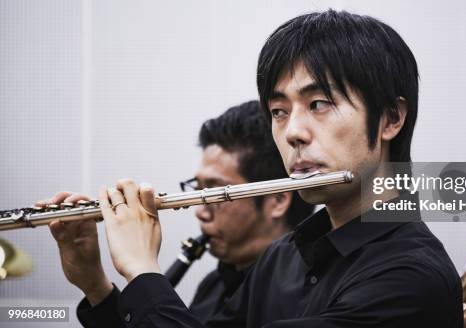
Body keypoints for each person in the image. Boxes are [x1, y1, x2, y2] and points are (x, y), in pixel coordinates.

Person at [78, 10, 464, 327]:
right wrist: (97, 287)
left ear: (390, 118)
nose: (292, 132)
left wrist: (144, 272)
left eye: (319, 104)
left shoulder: (411, 279)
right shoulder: (282, 257)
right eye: (279, 112)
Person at [41, 100, 313, 327]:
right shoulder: (215, 284)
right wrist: (95, 285)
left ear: (277, 200)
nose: (200, 210)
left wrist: (141, 269)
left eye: (215, 193)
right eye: (198, 189)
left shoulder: (304, 292)